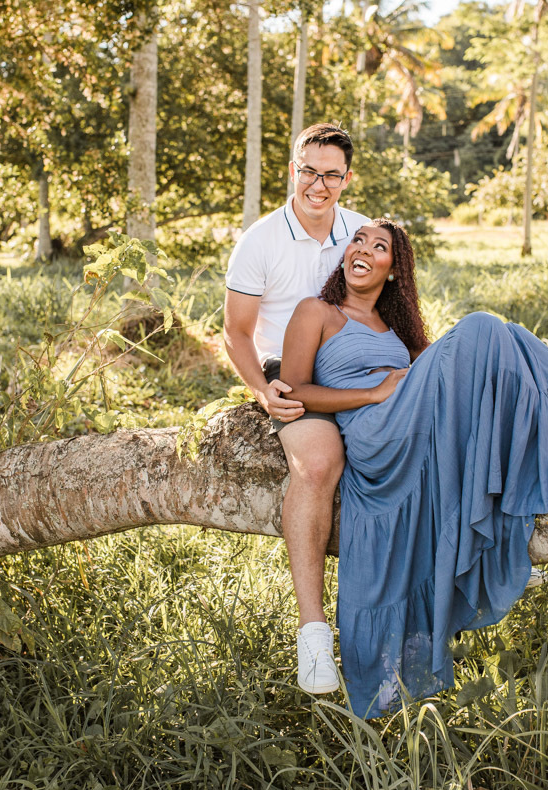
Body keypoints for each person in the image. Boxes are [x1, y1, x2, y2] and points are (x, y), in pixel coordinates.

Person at [279, 219, 548, 718]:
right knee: (485, 327)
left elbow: (460, 386)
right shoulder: (318, 312)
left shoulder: (399, 333)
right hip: (374, 435)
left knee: (513, 337)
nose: (363, 249)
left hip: (413, 430)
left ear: (394, 270)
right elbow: (293, 393)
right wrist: (373, 392)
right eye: (358, 240)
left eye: (379, 247)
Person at [223, 123, 372, 694]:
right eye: (309, 170)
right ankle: (313, 634)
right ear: (294, 170)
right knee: (317, 465)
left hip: (356, 363)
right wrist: (264, 393)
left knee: (424, 430)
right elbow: (236, 333)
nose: (319, 183)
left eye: (331, 174)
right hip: (291, 371)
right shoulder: (260, 241)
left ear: (345, 179)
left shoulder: (361, 231)